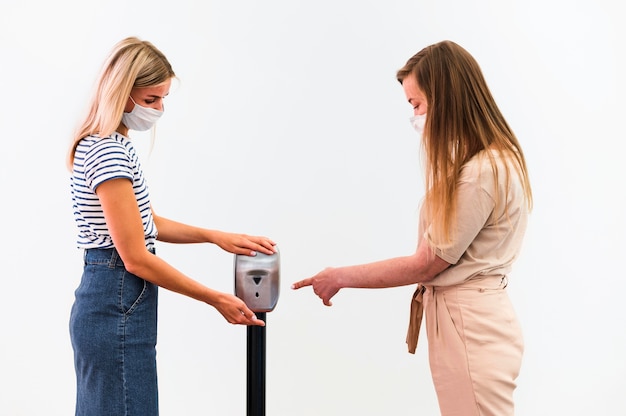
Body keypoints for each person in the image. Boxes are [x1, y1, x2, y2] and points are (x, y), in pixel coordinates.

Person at [292, 40, 532, 416]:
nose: (415, 116)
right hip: (466, 322)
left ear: (447, 100)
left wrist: (339, 276)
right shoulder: (479, 164)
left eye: (417, 105)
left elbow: (426, 263)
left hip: (471, 326)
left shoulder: (482, 172)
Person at [67, 37, 277, 416]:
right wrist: (216, 298)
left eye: (163, 99)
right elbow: (135, 257)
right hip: (115, 295)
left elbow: (145, 223)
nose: (159, 109)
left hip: (109, 295)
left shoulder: (107, 144)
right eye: (151, 100)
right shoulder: (108, 150)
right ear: (123, 92)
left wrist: (215, 238)